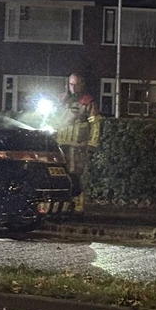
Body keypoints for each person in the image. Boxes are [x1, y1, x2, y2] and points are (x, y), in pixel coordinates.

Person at [54, 73, 102, 215]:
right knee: (59, 174)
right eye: (71, 84)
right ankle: (61, 204)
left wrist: (92, 143)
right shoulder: (61, 99)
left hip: (78, 146)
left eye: (76, 84)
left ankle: (78, 205)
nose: (73, 88)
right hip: (60, 144)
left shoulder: (88, 102)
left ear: (82, 84)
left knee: (75, 175)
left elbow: (96, 124)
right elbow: (51, 117)